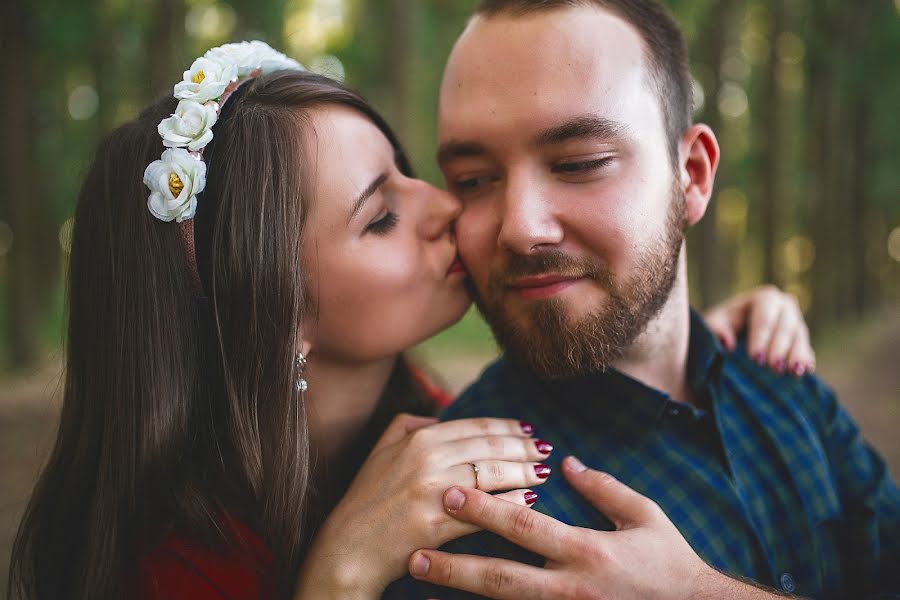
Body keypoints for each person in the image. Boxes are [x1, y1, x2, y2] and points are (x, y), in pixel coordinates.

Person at [7, 42, 815, 600]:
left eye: (407, 171)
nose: (444, 204)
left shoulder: (429, 422)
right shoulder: (172, 562)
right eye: (380, 216)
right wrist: (340, 575)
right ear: (275, 314)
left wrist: (690, 339)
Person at [386, 1, 900, 599]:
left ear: (693, 176)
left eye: (580, 163)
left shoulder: (783, 382)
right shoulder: (464, 516)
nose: (520, 228)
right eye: (474, 180)